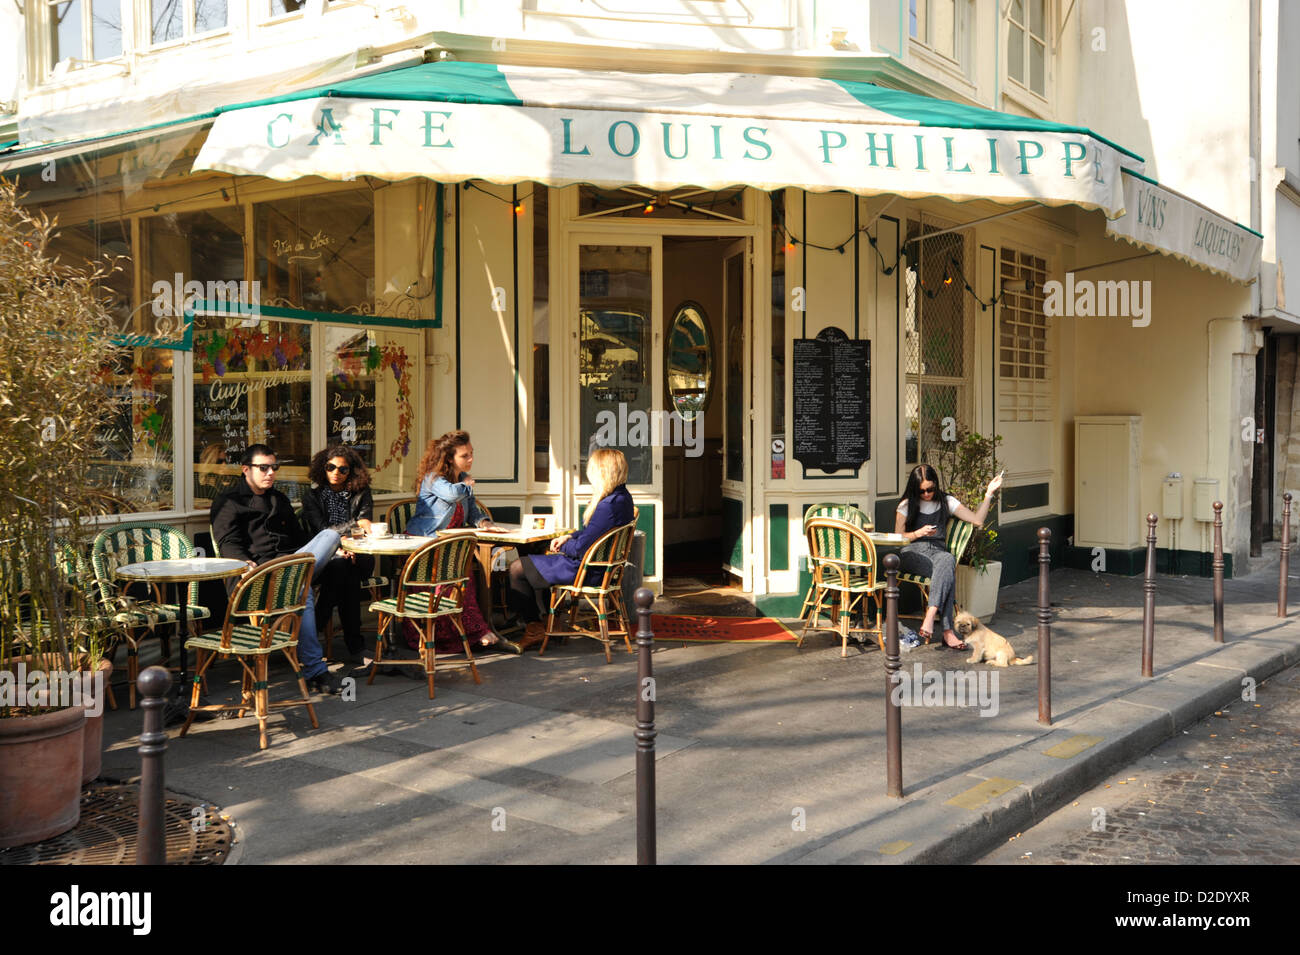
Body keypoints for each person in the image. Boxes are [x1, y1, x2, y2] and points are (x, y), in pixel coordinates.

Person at [210, 444, 343, 694]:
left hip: (290, 567)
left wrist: (329, 551)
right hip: (257, 576)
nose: (270, 472)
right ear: (246, 469)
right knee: (303, 589)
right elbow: (227, 543)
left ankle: (314, 667)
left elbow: (301, 539)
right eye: (263, 467)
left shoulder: (278, 499)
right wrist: (245, 563)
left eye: (274, 467)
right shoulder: (229, 501)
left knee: (330, 536)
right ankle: (316, 671)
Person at [506, 447, 635, 643]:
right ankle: (550, 621)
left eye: (591, 470)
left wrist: (556, 547)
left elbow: (581, 549)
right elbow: (595, 533)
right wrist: (570, 536)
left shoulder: (607, 505)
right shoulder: (622, 498)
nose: (588, 475)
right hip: (600, 568)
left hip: (586, 570)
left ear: (602, 472)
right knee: (534, 564)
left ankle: (535, 627)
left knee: (517, 568)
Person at [405, 430, 514, 653]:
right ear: (449, 458)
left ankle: (475, 631)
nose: (471, 459)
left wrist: (485, 524)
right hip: (426, 543)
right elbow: (452, 494)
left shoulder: (463, 481)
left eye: (472, 454)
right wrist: (466, 483)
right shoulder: (433, 479)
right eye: (465, 456)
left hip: (452, 547)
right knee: (452, 578)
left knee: (466, 577)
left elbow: (473, 512)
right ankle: (452, 635)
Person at [894, 464, 1003, 650]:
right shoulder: (906, 504)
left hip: (937, 554)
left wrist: (989, 493)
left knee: (946, 563)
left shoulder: (946, 501)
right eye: (922, 491)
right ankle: (947, 631)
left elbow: (977, 520)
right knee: (947, 567)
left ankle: (931, 616)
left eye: (930, 489)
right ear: (915, 489)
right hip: (912, 553)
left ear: (936, 484)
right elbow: (898, 537)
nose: (927, 494)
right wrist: (918, 533)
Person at [300, 445, 375, 666]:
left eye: (342, 469)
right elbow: (323, 533)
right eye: (330, 467)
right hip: (324, 559)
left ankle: (315, 628)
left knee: (344, 567)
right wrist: (345, 536)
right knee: (343, 571)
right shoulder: (312, 497)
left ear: (351, 471)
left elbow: (366, 528)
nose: (336, 472)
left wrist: (349, 546)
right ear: (322, 468)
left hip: (359, 554)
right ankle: (356, 647)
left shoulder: (361, 493)